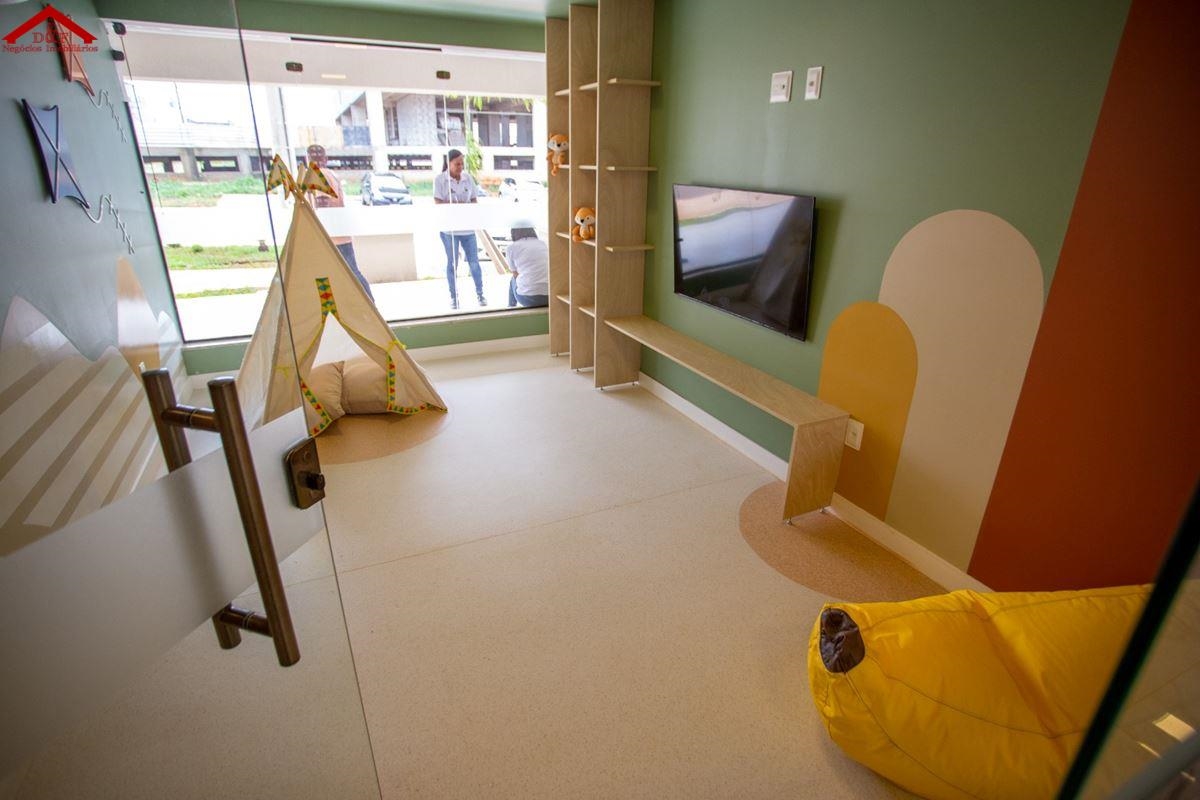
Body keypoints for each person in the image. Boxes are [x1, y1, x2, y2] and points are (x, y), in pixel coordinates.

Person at [306, 144, 374, 300]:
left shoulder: (319, 175)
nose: (315, 160)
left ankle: (361, 304)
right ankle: (364, 304)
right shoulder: (329, 174)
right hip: (338, 233)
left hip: (330, 236)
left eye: (316, 157)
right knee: (348, 272)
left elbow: (322, 204)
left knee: (329, 274)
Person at [433, 149, 485, 310]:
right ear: (448, 163)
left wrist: (468, 210)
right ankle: (454, 298)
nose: (460, 167)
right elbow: (437, 203)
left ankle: (480, 294)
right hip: (449, 230)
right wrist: (456, 206)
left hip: (467, 229)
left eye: (462, 164)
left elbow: (474, 200)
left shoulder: (468, 178)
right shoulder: (440, 180)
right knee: (452, 263)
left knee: (474, 263)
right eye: (457, 164)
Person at [505, 222, 548, 308]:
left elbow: (515, 274)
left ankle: (511, 307)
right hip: (549, 297)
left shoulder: (511, 248)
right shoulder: (542, 243)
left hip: (527, 299)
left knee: (513, 280)